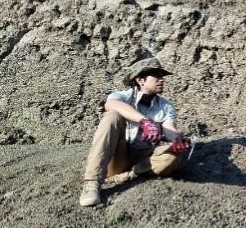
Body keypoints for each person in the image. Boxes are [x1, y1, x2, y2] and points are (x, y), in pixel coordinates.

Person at [79, 57, 190, 207]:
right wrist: (145, 121)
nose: (162, 79)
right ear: (140, 80)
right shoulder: (124, 96)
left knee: (174, 155)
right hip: (120, 155)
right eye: (156, 76)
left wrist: (177, 139)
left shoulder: (166, 106)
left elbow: (170, 128)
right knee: (112, 116)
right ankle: (92, 183)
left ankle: (129, 175)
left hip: (144, 158)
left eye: (162, 76)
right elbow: (110, 104)